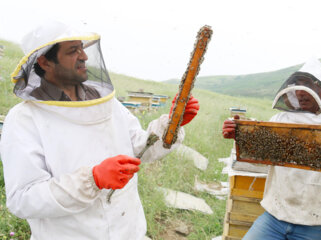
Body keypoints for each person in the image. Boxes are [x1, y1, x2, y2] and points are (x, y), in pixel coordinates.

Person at [0, 21, 199, 240]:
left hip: (128, 232)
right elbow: (23, 199)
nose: (84, 56)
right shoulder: (25, 119)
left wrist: (171, 125)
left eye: (82, 48)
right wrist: (92, 179)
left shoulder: (104, 103)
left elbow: (140, 147)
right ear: (45, 62)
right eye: (73, 51)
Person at [222, 58, 321, 240]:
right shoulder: (280, 120)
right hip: (274, 219)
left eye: (308, 86)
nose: (301, 93)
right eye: (298, 87)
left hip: (315, 226)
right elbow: (259, 160)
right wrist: (241, 137)